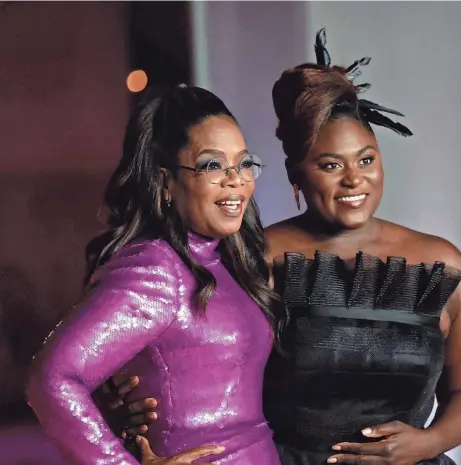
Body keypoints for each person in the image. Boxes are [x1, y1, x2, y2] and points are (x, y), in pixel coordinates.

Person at [97, 30, 461, 465]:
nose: (354, 179)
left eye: (366, 160)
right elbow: (180, 364)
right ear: (295, 173)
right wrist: (118, 412)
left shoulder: (441, 264)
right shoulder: (249, 256)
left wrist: (428, 443)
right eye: (329, 165)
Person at [25, 84, 286, 465]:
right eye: (212, 165)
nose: (236, 179)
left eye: (244, 162)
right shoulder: (155, 268)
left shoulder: (228, 260)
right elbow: (51, 379)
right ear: (165, 182)